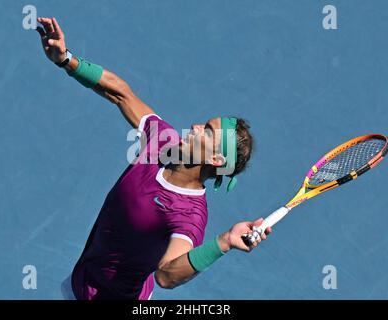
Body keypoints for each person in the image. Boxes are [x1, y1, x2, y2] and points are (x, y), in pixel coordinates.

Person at [36, 17, 272, 300]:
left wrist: (224, 242)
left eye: (207, 131)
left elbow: (166, 275)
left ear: (217, 158)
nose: (196, 127)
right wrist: (66, 60)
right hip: (81, 283)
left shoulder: (189, 215)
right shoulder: (163, 141)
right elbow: (121, 94)